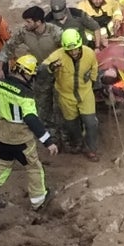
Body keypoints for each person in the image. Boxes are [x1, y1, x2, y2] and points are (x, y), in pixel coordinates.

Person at [0, 54, 59, 210]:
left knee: (4, 163)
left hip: (1, 135)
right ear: (27, 74)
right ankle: (39, 201)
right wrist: (48, 141)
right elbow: (32, 119)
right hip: (21, 139)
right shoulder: (26, 96)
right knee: (33, 167)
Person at [43, 28, 100, 161]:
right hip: (66, 96)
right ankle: (78, 142)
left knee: (91, 123)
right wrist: (51, 67)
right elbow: (43, 68)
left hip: (85, 93)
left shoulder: (89, 53)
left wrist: (92, 81)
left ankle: (91, 149)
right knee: (71, 124)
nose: (74, 52)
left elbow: (94, 68)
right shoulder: (57, 56)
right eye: (70, 50)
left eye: (76, 49)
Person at [1, 6, 61, 115]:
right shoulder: (24, 32)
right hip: (38, 75)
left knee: (60, 104)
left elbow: (69, 50)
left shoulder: (55, 32)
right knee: (41, 105)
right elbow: (9, 46)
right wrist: (0, 67)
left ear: (38, 22)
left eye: (28, 22)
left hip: (58, 73)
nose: (25, 24)